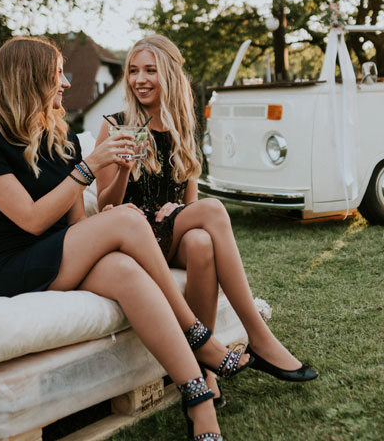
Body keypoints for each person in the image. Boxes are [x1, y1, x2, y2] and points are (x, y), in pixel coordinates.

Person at [0, 36, 240, 441]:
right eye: (58, 75)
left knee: (125, 266)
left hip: (63, 256)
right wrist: (90, 168)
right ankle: (199, 336)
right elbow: (32, 221)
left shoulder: (62, 139)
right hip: (17, 267)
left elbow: (75, 226)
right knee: (127, 219)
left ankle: (199, 405)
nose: (67, 84)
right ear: (30, 79)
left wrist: (102, 225)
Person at [95, 34, 318, 406]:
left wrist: (180, 213)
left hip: (173, 238)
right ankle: (258, 337)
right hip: (135, 241)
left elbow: (192, 210)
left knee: (201, 241)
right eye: (133, 71)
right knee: (214, 210)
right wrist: (123, 170)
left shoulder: (183, 127)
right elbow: (105, 206)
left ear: (169, 74)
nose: (140, 79)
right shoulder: (115, 125)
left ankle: (205, 371)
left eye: (150, 70)